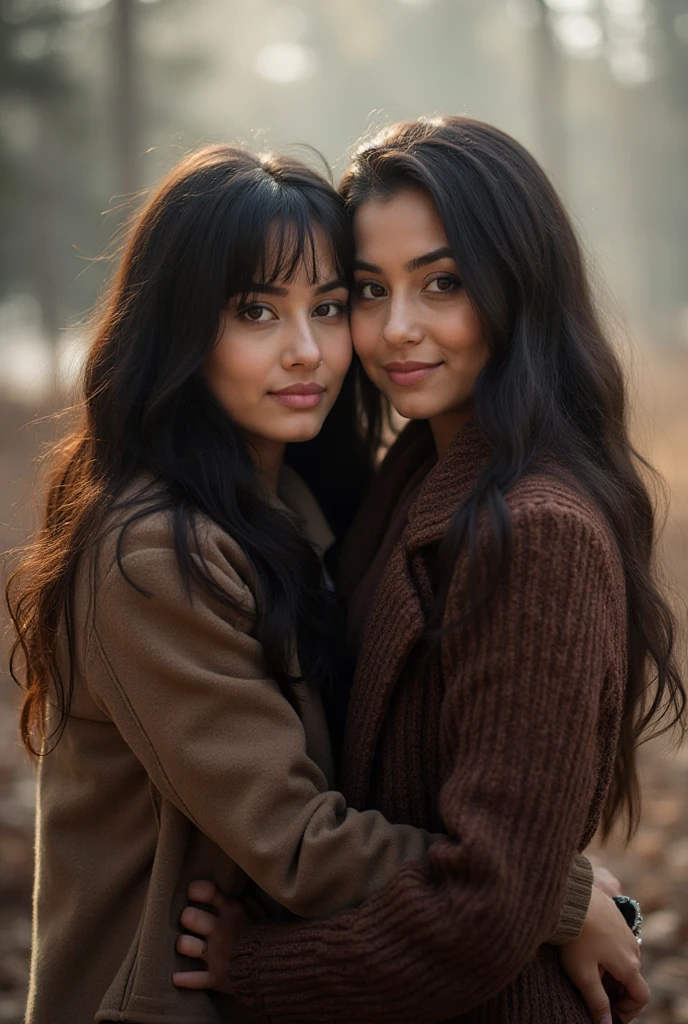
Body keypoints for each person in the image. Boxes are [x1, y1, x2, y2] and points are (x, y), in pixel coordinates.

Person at [7, 143, 615, 1024]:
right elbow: (294, 835)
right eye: (257, 311)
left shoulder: (306, 510)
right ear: (179, 328)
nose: (308, 351)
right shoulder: (150, 555)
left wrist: (526, 887)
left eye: (330, 307)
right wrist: (560, 898)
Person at [174, 118, 685, 1023]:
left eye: (443, 284)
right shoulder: (410, 479)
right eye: (369, 290)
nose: (397, 330)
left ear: (520, 286)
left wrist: (256, 968)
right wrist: (566, 893)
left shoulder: (536, 534)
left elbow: (487, 905)